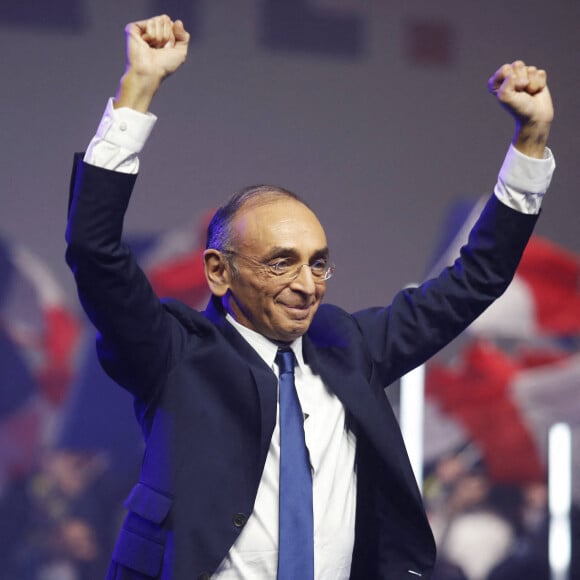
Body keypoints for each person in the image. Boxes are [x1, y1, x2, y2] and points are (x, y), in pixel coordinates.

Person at [65, 14, 555, 580]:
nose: (307, 284)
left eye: (318, 263)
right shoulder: (175, 355)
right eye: (282, 262)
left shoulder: (349, 346)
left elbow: (476, 278)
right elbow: (96, 253)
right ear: (219, 273)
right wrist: (138, 89)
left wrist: (531, 141)